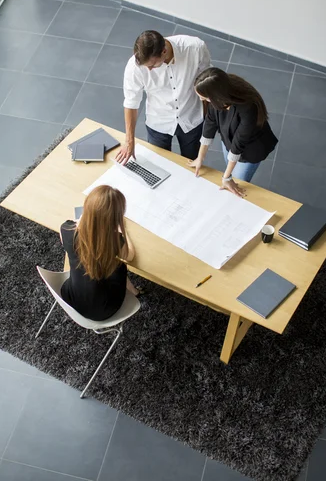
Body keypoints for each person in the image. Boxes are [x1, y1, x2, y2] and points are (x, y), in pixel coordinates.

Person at [116, 30, 211, 164]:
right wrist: (129, 141)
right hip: (158, 121)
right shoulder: (134, 67)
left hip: (191, 118)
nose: (148, 70)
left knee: (191, 162)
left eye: (152, 65)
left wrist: (205, 112)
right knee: (159, 164)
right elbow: (131, 103)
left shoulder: (195, 48)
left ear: (164, 52)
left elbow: (206, 79)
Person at [188, 67, 278, 197]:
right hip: (230, 140)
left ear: (216, 95)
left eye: (205, 98)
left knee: (237, 180)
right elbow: (210, 123)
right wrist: (200, 157)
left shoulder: (248, 107)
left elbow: (238, 144)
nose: (202, 101)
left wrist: (227, 178)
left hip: (249, 149)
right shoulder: (218, 95)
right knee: (230, 170)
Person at [60, 185, 139, 322]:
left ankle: (135, 291)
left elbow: (67, 242)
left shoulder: (66, 229)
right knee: (119, 266)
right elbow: (130, 256)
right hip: (104, 308)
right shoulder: (113, 241)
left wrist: (82, 222)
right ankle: (135, 292)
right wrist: (122, 230)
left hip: (71, 297)